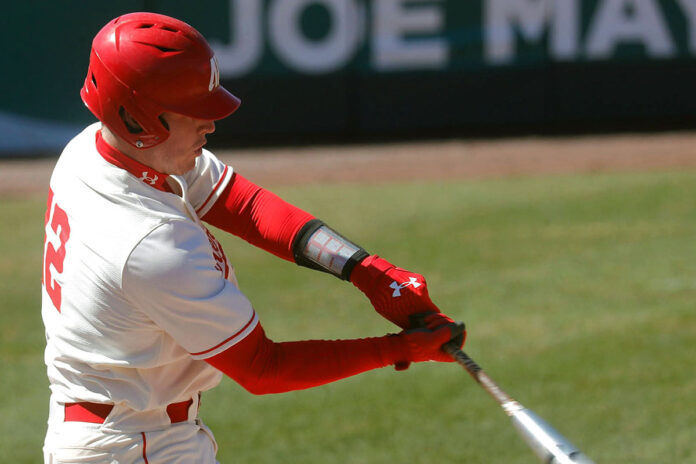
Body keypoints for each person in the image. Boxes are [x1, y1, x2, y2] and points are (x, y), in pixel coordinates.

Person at [41, 12, 465, 462]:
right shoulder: (150, 245)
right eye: (194, 112)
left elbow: (246, 205)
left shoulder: (94, 150)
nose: (211, 125)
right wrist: (400, 348)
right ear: (141, 121)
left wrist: (369, 272)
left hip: (125, 429)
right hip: (131, 446)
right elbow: (264, 369)